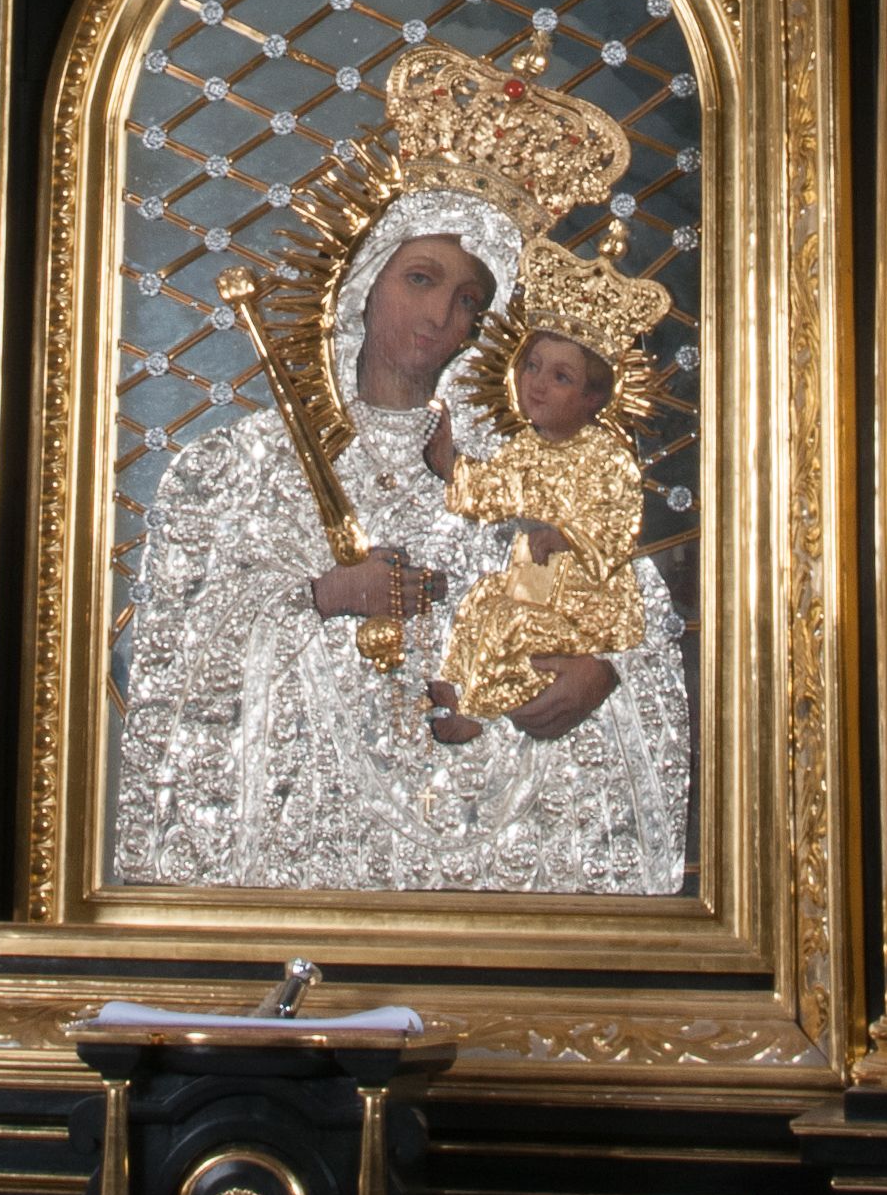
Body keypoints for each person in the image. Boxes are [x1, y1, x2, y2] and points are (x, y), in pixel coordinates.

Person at [110, 181, 690, 896]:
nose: (442, 315)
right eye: (421, 279)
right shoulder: (243, 466)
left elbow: (623, 599)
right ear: (365, 282)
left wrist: (602, 673)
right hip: (309, 839)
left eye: (470, 300)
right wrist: (326, 595)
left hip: (502, 858)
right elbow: (185, 642)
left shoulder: (528, 468)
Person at [430, 312, 648, 733]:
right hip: (528, 583)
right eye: (533, 366)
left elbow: (617, 523)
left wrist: (566, 537)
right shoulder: (524, 449)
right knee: (481, 601)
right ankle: (456, 685)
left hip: (583, 605)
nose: (538, 384)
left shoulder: (608, 460)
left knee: (509, 623)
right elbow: (492, 491)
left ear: (594, 398)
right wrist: (450, 465)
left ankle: (476, 713)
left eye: (561, 377)